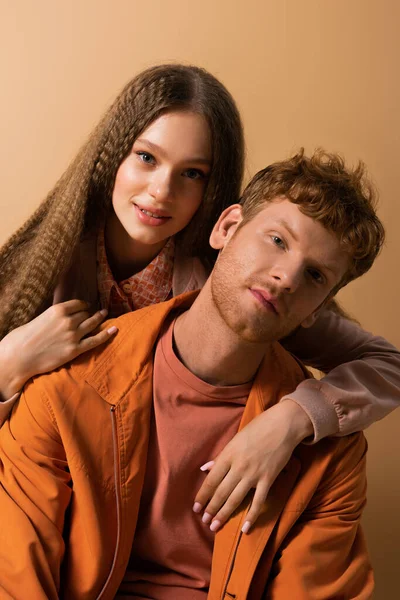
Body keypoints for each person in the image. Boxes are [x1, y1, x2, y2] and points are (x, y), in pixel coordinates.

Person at [0, 63, 399, 533]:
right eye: (146, 158)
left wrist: (291, 419)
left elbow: (388, 365)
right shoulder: (39, 266)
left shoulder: (240, 283)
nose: (162, 191)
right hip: (51, 518)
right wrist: (9, 364)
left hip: (173, 523)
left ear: (216, 194)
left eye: (192, 173)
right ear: (112, 155)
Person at [0, 149, 382, 598]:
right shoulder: (64, 389)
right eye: (277, 240)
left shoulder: (332, 456)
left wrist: (292, 421)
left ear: (317, 311)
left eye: (315, 275)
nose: (287, 277)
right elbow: (17, 579)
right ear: (226, 228)